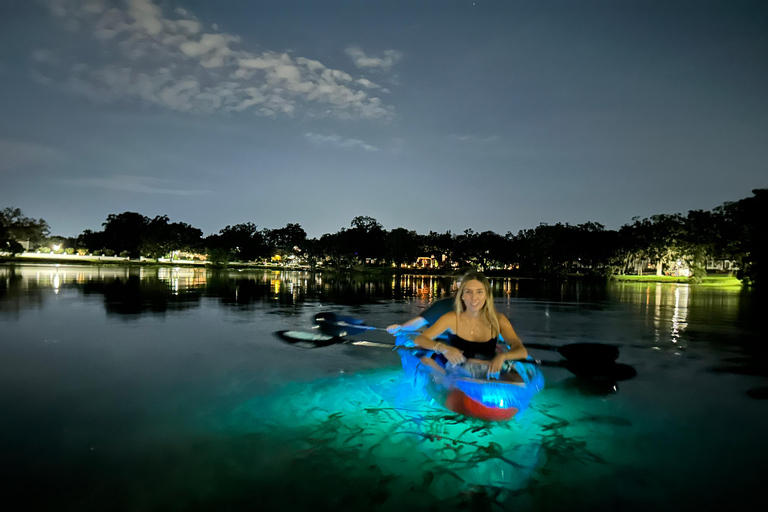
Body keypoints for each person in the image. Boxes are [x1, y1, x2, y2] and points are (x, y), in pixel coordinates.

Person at [413, 270, 528, 380]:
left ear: (487, 295)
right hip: (457, 371)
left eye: (479, 291)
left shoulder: (498, 320)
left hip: (489, 370)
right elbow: (420, 339)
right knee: (426, 362)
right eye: (468, 292)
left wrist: (503, 356)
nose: (474, 297)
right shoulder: (452, 318)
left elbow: (521, 351)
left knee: (517, 379)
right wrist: (443, 348)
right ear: (462, 295)